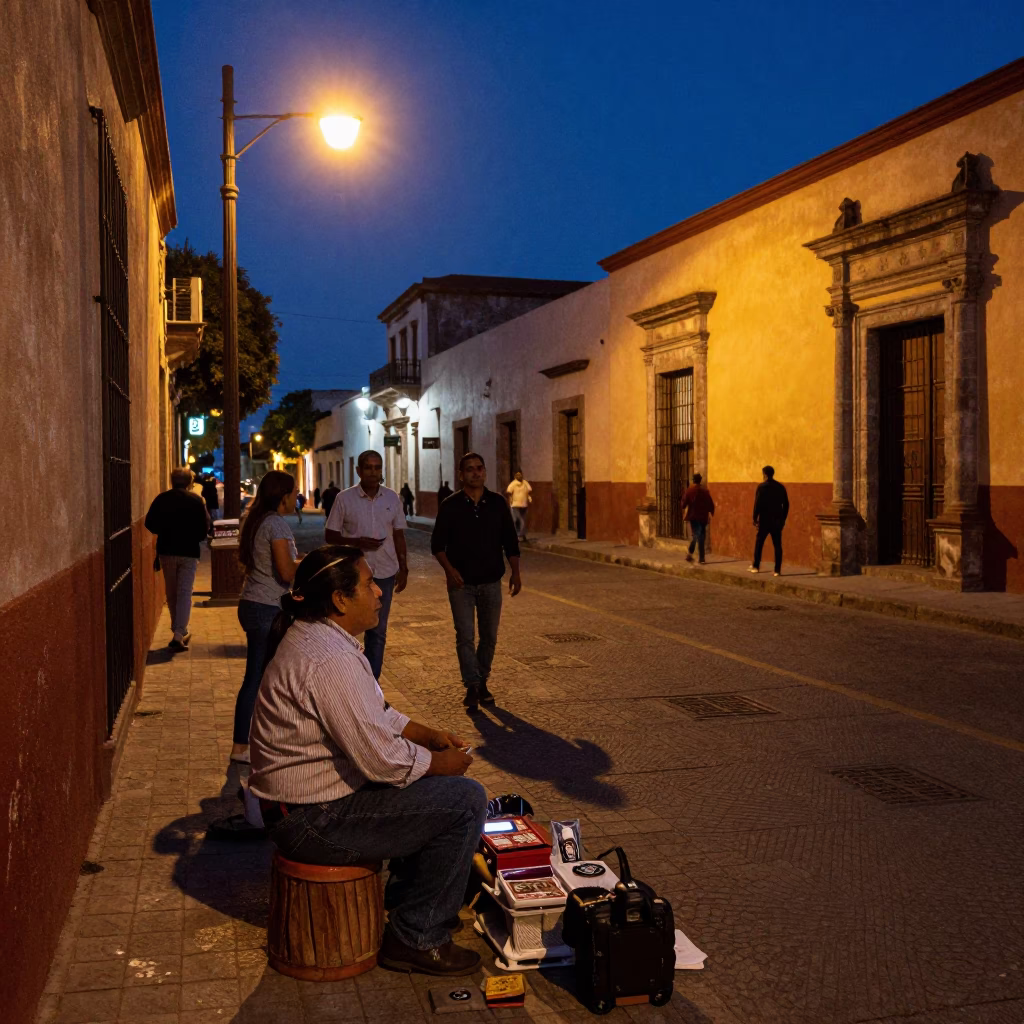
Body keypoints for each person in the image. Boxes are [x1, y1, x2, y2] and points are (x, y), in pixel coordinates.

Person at [248, 546, 485, 976]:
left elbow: (375, 712)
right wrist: (439, 764)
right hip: (309, 820)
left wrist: (427, 734)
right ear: (340, 600)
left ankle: (406, 900)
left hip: (306, 807)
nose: (379, 593)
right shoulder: (330, 658)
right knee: (465, 802)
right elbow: (381, 760)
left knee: (428, 789)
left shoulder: (322, 637)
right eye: (369, 584)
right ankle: (418, 935)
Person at [431, 453, 521, 712]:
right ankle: (472, 684)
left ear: (485, 472)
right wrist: (449, 571)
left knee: (489, 636)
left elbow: (510, 542)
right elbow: (437, 545)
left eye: (479, 468)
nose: (475, 473)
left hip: (492, 581)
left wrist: (515, 572)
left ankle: (481, 681)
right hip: (461, 585)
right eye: (469, 469)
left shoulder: (497, 503)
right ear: (461, 475)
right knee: (465, 636)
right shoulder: (450, 506)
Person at [231, 470, 302, 764]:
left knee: (261, 675)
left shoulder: (257, 519)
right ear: (282, 496)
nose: (296, 498)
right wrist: (309, 563)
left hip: (252, 603)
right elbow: (286, 572)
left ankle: (253, 742)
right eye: (293, 493)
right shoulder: (276, 524)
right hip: (268, 607)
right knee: (264, 676)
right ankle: (244, 745)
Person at [325, 451, 408, 679]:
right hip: (352, 573)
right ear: (358, 471)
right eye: (368, 467)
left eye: (377, 467)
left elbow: (399, 534)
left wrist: (404, 567)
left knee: (378, 630)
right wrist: (356, 542)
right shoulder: (344, 498)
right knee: (345, 628)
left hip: (384, 572)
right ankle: (345, 680)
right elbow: (330, 535)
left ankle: (372, 686)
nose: (373, 472)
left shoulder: (392, 498)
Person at [144, 468, 210, 650]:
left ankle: (178, 630)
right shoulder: (196, 501)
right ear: (189, 482)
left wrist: (164, 531)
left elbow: (149, 523)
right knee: (184, 592)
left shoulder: (161, 499)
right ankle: (179, 632)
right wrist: (194, 537)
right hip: (188, 552)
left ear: (172, 481)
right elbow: (205, 527)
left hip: (166, 551)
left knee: (172, 593)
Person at [749, 465, 790, 577]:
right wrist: (783, 519)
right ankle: (777, 570)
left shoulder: (762, 487)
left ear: (765, 474)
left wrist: (754, 518)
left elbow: (757, 504)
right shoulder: (780, 487)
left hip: (765, 520)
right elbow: (786, 504)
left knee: (759, 543)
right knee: (777, 545)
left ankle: (756, 566)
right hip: (777, 521)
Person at [681, 473, 715, 564]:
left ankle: (690, 553)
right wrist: (711, 512)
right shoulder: (705, 491)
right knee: (701, 536)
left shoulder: (689, 491)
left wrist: (685, 507)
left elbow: (683, 504)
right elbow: (710, 504)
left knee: (696, 535)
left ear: (693, 480)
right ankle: (701, 558)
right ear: (700, 480)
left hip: (693, 516)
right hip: (703, 517)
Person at [505, 470, 533, 541]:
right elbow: (509, 492)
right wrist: (510, 500)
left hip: (524, 504)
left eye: (520, 474)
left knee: (521, 520)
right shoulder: (513, 484)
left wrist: (529, 498)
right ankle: (519, 534)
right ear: (515, 476)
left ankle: (521, 534)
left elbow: (529, 491)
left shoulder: (525, 483)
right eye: (517, 475)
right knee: (519, 520)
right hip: (515, 505)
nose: (519, 476)